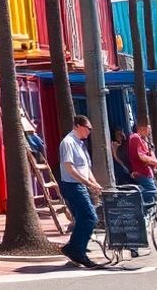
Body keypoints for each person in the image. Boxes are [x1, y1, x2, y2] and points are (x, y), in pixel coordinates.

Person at [58, 115, 103, 269]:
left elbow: (86, 168)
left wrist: (94, 182)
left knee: (84, 218)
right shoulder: (68, 142)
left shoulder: (80, 144)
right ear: (78, 125)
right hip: (73, 186)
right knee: (90, 217)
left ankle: (74, 248)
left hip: (81, 185)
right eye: (88, 128)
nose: (89, 132)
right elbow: (70, 168)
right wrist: (87, 183)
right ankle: (77, 250)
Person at [128, 118, 157, 206]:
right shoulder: (135, 137)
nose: (150, 130)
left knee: (154, 196)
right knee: (151, 193)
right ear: (141, 128)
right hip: (142, 173)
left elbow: (151, 157)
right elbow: (142, 157)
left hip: (148, 173)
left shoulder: (144, 141)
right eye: (148, 128)